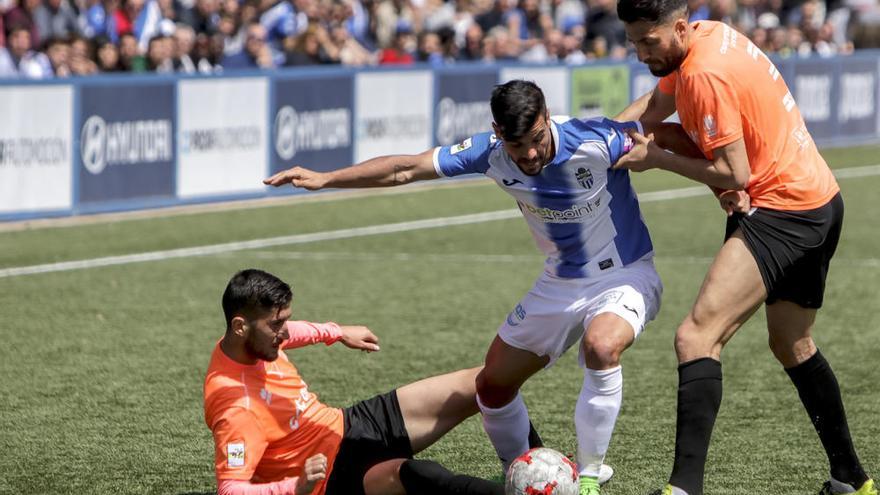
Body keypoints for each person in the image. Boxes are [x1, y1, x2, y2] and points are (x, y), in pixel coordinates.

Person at [265, 80, 701, 495]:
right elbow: (404, 169)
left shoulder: (594, 138)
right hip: (559, 282)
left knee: (602, 346)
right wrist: (326, 178)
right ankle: (527, 475)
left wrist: (726, 185)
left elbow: (667, 135)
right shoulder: (489, 153)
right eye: (517, 144)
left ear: (547, 117)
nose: (529, 153)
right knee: (491, 385)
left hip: (624, 273)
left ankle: (588, 478)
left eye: (535, 137)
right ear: (498, 133)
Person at [612, 2, 876, 494]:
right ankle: (853, 481)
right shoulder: (706, 36)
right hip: (819, 199)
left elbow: (736, 175)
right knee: (792, 343)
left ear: (679, 27)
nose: (641, 52)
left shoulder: (703, 74)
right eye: (633, 42)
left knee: (696, 337)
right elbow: (654, 110)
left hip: (782, 211)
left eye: (649, 42)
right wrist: (605, 137)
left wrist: (657, 159)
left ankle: (683, 489)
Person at [205, 268, 508, 495]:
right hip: (332, 477)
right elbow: (231, 489)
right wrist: (295, 486)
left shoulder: (244, 340)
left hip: (347, 424)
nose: (284, 333)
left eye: (284, 320)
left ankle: (531, 464)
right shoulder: (236, 408)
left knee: (486, 380)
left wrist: (336, 332)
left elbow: (291, 332)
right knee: (423, 475)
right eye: (276, 325)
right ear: (240, 326)